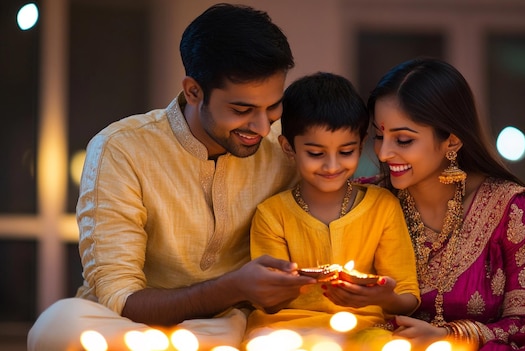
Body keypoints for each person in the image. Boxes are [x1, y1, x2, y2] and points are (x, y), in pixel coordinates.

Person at [27, 4, 316, 350]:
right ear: (193, 91)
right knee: (58, 327)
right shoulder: (121, 149)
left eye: (273, 107)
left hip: (234, 325)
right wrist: (233, 287)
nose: (262, 126)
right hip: (132, 327)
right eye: (241, 110)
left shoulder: (283, 146)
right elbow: (120, 297)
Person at [367, 57, 525, 350]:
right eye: (379, 137)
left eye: (403, 140)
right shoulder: (366, 199)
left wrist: (450, 336)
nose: (383, 153)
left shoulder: (508, 207)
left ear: (451, 142)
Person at [244, 72, 420, 349]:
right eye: (316, 154)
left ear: (361, 146)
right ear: (288, 147)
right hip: (285, 332)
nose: (332, 166)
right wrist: (304, 281)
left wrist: (379, 297)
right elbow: (268, 300)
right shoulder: (272, 214)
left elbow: (407, 297)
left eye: (346, 152)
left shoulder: (382, 207)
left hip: (362, 332)